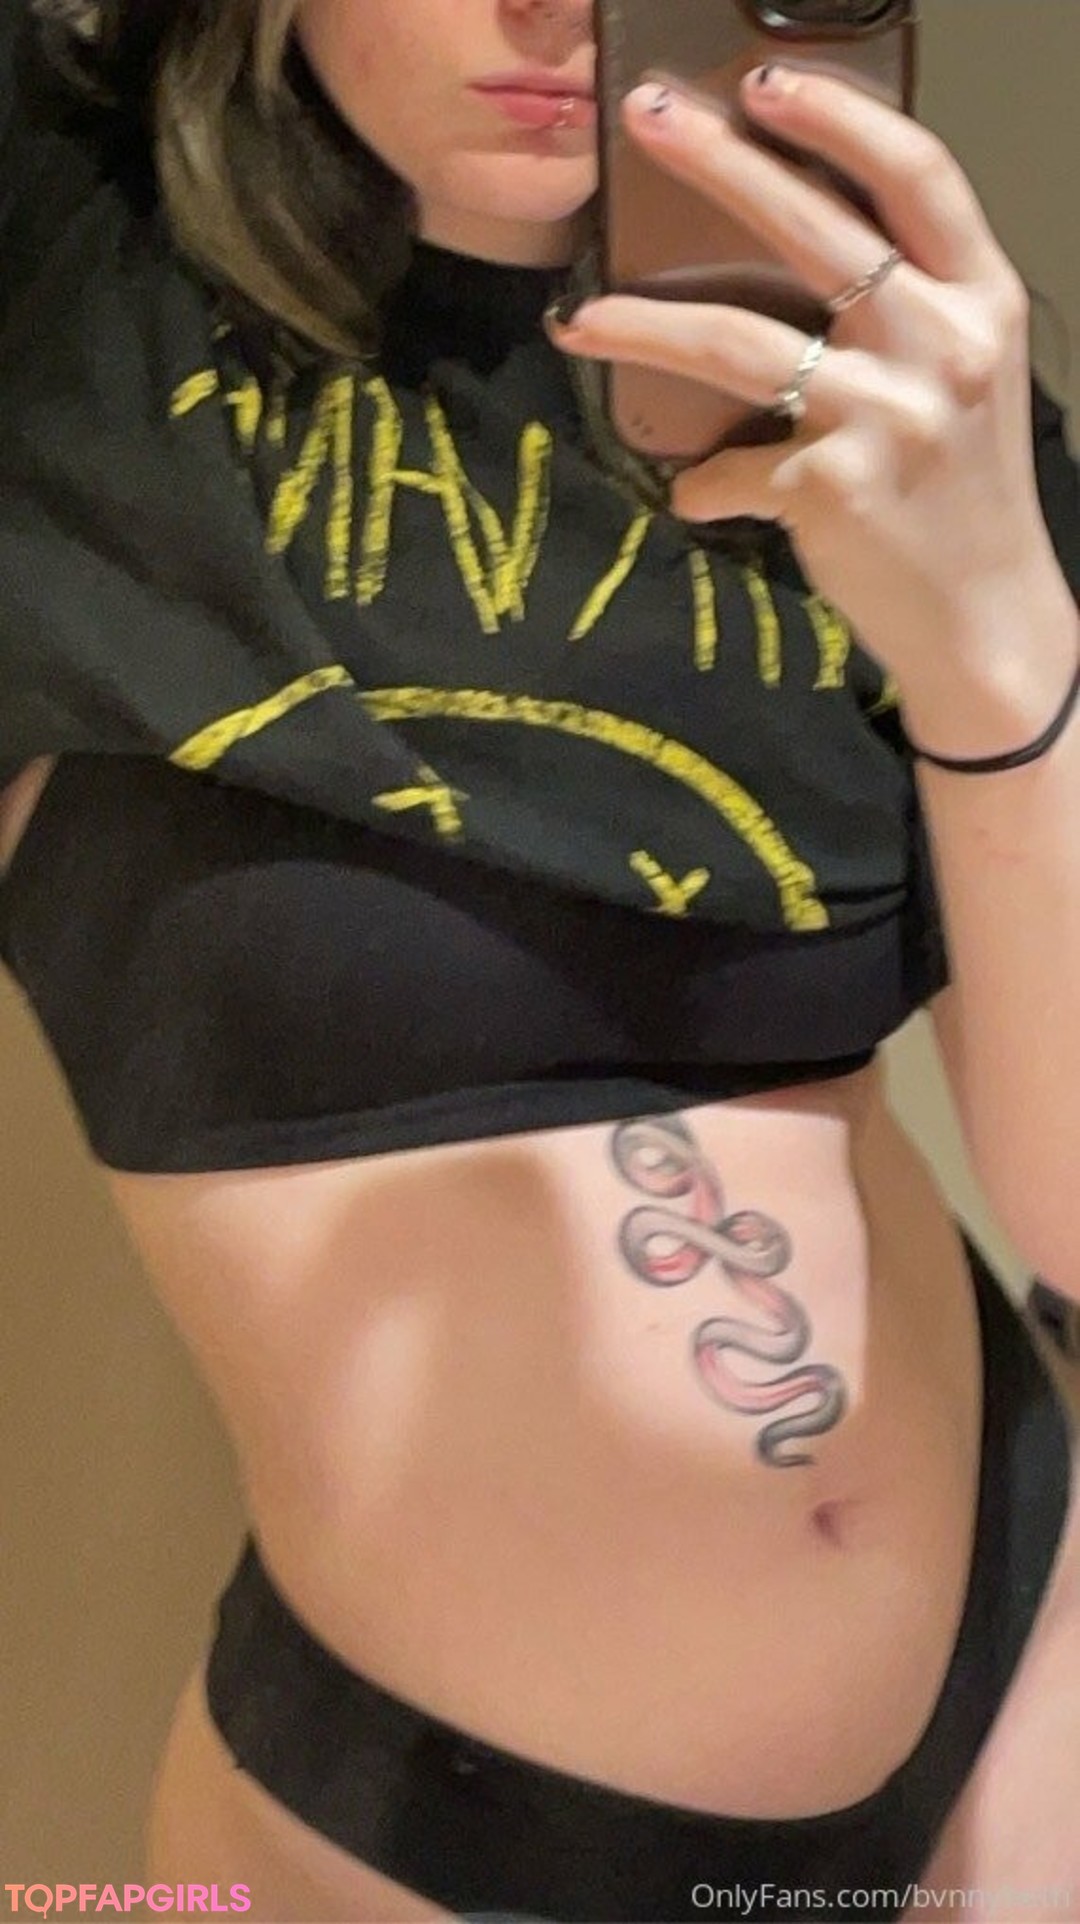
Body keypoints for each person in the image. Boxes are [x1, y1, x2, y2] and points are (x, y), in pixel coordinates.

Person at [2, 1, 1079, 1918]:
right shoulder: (66, 261)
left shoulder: (895, 387)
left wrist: (994, 639)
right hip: (447, 1833)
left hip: (1036, 1650)